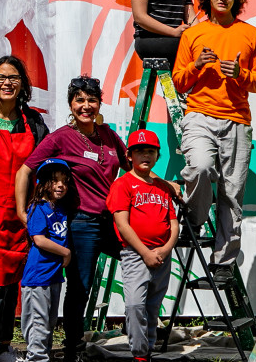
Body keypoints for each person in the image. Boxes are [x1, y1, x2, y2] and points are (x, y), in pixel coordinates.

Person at [15, 75, 132, 362]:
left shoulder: (108, 135)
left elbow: (131, 170)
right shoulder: (60, 138)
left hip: (113, 219)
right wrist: (23, 213)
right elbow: (25, 170)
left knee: (138, 260)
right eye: (79, 100)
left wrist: (165, 186)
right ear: (71, 104)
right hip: (82, 221)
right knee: (80, 286)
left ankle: (142, 336)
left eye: (91, 99)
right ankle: (73, 347)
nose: (86, 105)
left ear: (99, 103)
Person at [172, 0, 256, 280]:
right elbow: (178, 82)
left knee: (232, 193)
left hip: (238, 120)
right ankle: (194, 218)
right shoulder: (192, 34)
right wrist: (198, 65)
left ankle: (223, 263)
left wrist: (240, 73)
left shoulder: (251, 34)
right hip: (199, 113)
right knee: (199, 167)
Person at [0, 56, 49, 362]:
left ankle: (3, 345)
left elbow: (46, 162)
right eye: (1, 77)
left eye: (14, 78)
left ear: (23, 84)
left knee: (12, 281)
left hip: (22, 215)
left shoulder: (35, 122)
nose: (7, 83)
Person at [107, 129, 180, 362]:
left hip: (162, 254)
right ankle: (139, 354)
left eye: (150, 151)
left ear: (157, 156)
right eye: (139, 152)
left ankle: (146, 351)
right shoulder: (123, 184)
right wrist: (145, 252)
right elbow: (122, 223)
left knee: (152, 307)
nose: (145, 156)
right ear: (129, 156)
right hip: (136, 254)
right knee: (135, 306)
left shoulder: (162, 187)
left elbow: (174, 224)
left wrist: (166, 249)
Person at [21, 159, 72, 362]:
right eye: (54, 181)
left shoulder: (60, 209)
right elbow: (39, 240)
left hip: (53, 276)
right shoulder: (38, 208)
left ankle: (43, 357)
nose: (60, 185)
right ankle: (36, 358)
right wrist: (65, 253)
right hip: (38, 277)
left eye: (64, 182)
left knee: (49, 322)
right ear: (43, 184)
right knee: (38, 322)